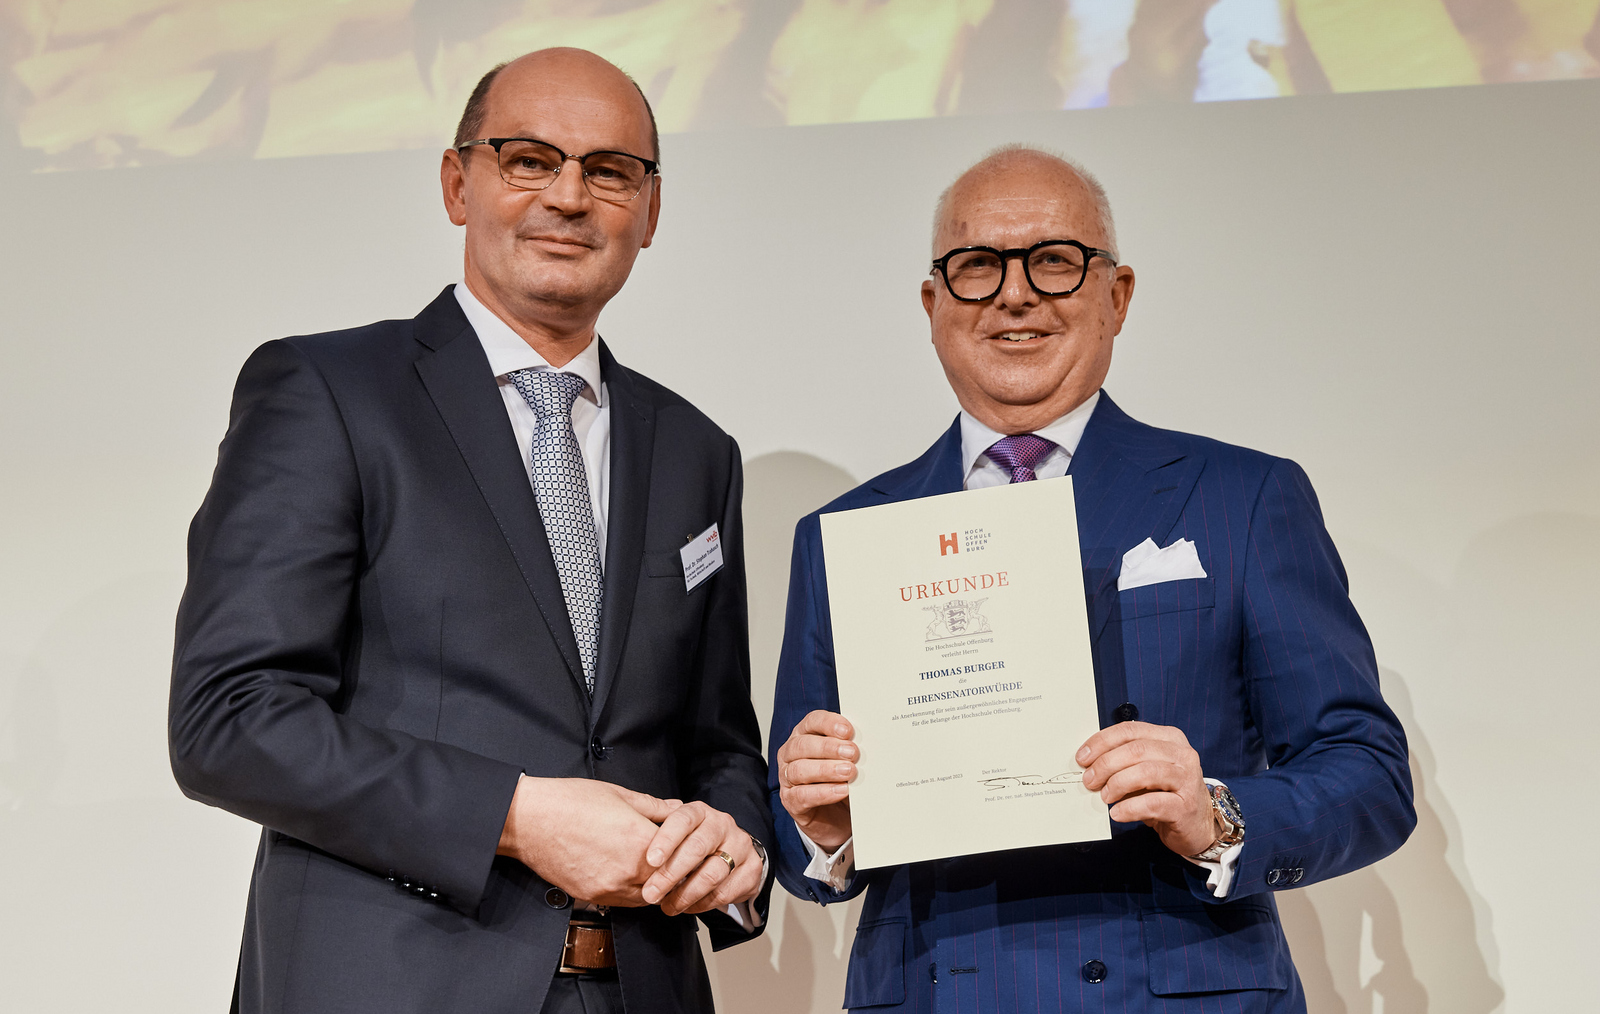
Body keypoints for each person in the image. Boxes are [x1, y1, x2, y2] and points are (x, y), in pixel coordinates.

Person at [169, 48, 772, 1014]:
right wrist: (515, 815)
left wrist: (735, 847)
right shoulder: (327, 393)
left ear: (650, 213)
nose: (570, 196)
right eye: (529, 159)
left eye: (610, 170)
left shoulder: (698, 449)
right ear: (459, 184)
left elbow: (717, 747)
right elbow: (228, 718)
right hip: (388, 984)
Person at [769, 146, 1415, 1012]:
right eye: (976, 266)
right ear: (933, 304)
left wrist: (1214, 812)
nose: (1014, 292)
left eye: (1055, 260)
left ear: (1117, 296)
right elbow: (797, 828)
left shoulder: (1241, 497)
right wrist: (823, 828)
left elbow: (1366, 771)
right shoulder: (847, 535)